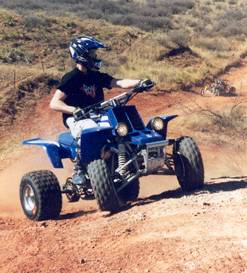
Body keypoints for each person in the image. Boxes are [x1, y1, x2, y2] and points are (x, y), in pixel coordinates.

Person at [50, 36, 142, 140]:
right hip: (78, 119)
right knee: (93, 129)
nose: (95, 57)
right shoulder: (72, 78)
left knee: (121, 123)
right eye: (92, 54)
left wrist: (140, 82)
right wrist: (74, 110)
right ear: (82, 55)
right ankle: (88, 154)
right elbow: (54, 103)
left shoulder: (95, 75)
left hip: (98, 115)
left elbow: (119, 82)